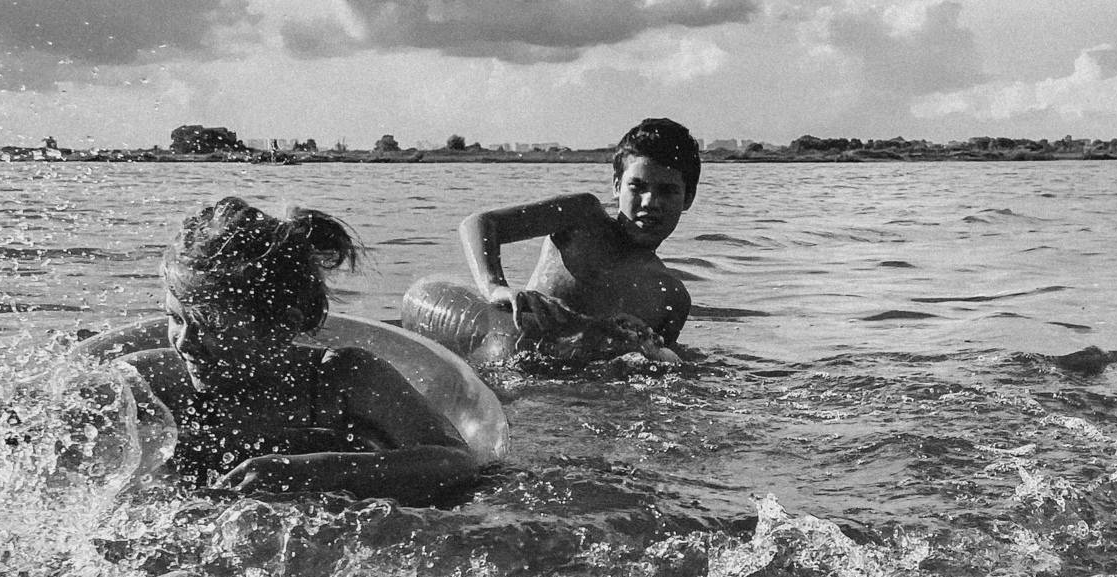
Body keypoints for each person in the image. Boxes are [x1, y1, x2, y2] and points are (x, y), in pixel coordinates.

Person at [123, 197, 477, 503]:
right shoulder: (159, 384)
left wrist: (319, 471)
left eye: (211, 325)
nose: (185, 342)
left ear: (281, 327)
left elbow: (456, 461)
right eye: (176, 318)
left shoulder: (343, 379)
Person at [456, 117, 699, 357]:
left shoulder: (672, 296)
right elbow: (479, 223)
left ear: (688, 198)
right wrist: (494, 287)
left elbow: (658, 365)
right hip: (509, 351)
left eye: (667, 191)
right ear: (617, 186)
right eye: (637, 186)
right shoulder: (581, 218)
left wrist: (639, 344)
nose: (650, 202)